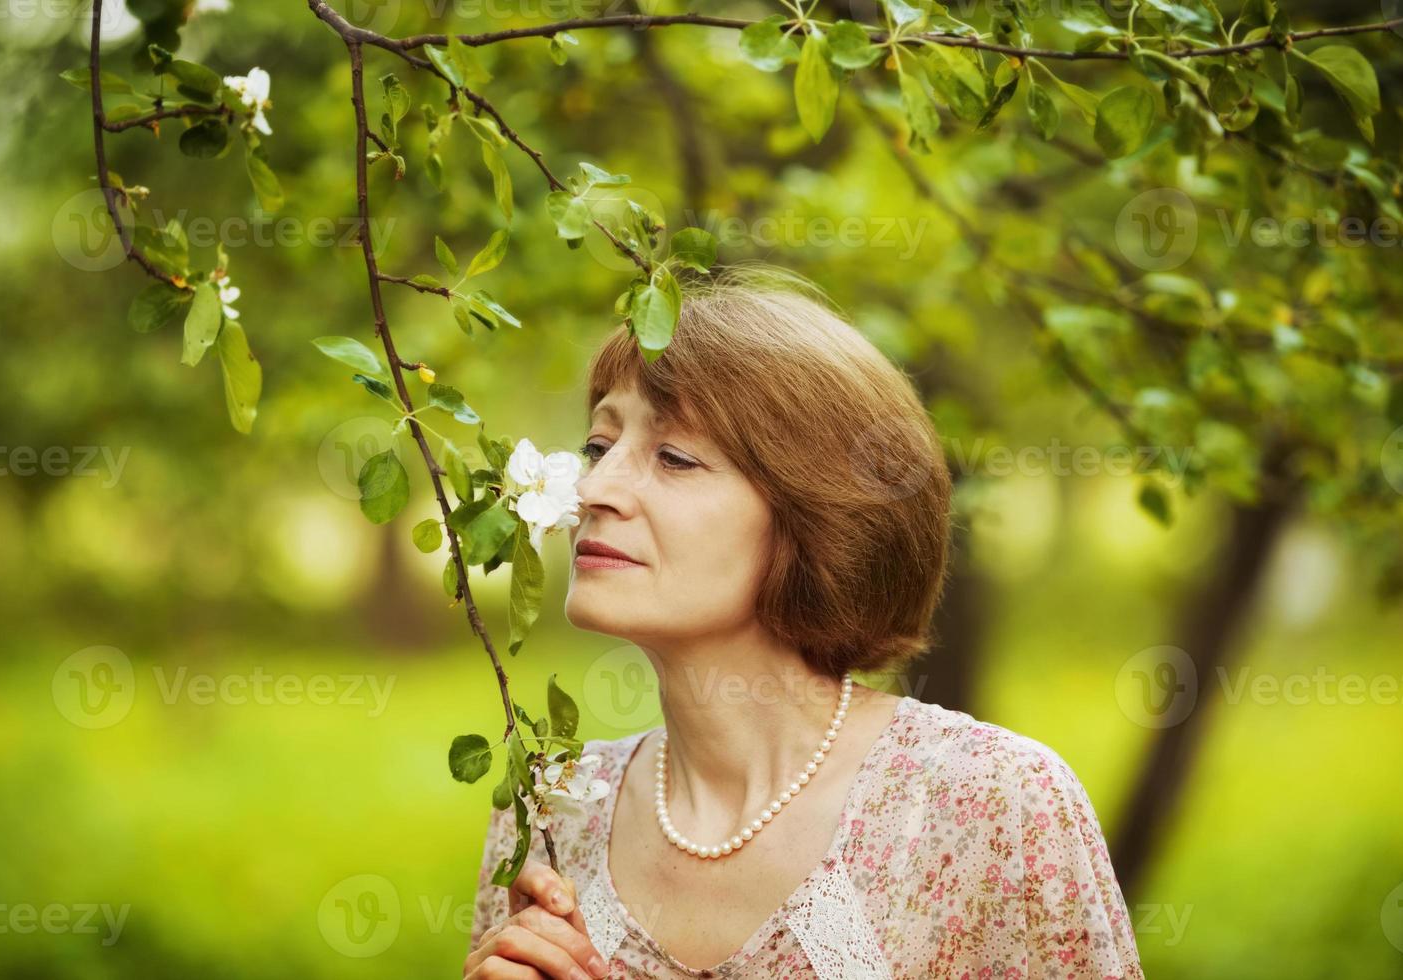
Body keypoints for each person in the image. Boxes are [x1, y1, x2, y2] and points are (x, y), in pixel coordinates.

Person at [466, 264, 1143, 979]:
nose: (595, 489)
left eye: (674, 457)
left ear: (812, 514)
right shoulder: (555, 808)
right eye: (599, 448)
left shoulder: (986, 804)